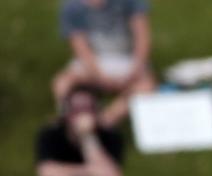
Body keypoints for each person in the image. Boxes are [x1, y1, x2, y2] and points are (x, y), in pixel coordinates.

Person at [52, 0, 155, 128]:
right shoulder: (72, 7)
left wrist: (135, 70)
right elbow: (81, 48)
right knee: (62, 83)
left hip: (127, 60)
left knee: (146, 87)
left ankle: (104, 121)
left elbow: (142, 38)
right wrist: (100, 76)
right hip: (92, 63)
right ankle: (68, 118)